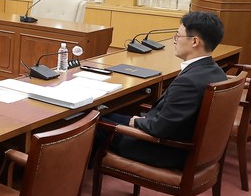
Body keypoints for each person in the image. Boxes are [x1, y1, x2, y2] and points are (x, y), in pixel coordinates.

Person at [95, 11, 227, 169]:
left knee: (93, 123)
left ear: (194, 41)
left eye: (178, 36)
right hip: (179, 138)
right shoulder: (216, 71)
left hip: (164, 150)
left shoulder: (188, 82)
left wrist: (135, 121)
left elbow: (159, 129)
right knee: (106, 114)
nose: (174, 40)